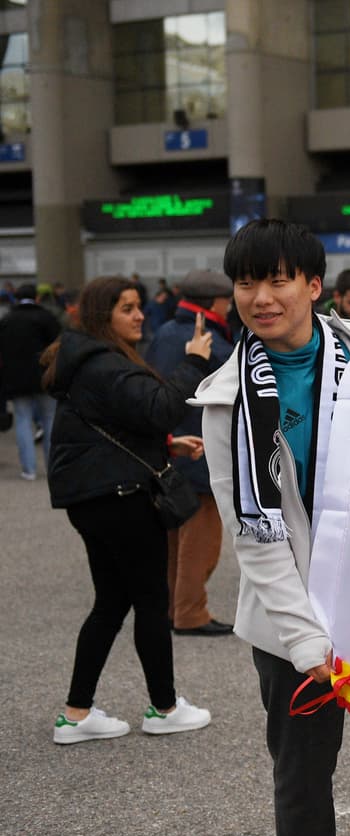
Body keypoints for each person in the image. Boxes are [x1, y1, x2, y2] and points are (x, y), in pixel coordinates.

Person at [193, 220, 350, 836]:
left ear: (313, 285)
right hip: (288, 627)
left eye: (277, 280)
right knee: (303, 781)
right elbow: (255, 538)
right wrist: (309, 644)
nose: (260, 298)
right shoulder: (228, 401)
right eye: (246, 283)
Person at [42, 275, 215, 744]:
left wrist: (165, 445)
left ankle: (77, 714)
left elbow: (119, 422)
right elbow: (160, 406)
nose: (139, 315)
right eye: (127, 308)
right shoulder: (104, 363)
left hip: (96, 496)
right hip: (119, 497)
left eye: (139, 306)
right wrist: (193, 363)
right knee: (151, 603)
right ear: (104, 316)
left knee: (112, 602)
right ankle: (165, 707)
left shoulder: (90, 361)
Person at [145, 270, 237, 636]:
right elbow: (236, 370)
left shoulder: (166, 332)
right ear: (215, 302)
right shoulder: (205, 337)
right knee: (203, 541)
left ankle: (172, 608)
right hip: (199, 448)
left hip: (170, 446)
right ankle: (191, 612)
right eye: (227, 300)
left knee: (175, 538)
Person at [0, 283, 62, 480]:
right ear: (36, 298)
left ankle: (29, 469)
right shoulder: (47, 318)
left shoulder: (8, 319)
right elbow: (59, 347)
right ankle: (53, 468)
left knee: (23, 420)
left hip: (16, 380)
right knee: (50, 420)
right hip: (45, 378)